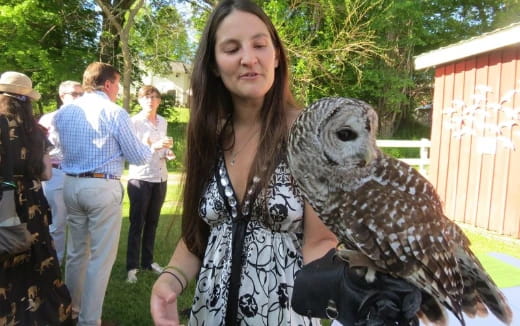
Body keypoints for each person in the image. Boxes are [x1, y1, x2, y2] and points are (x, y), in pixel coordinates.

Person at [150, 1, 338, 325]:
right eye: (232, 48)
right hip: (207, 316)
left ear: (276, 56)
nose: (248, 59)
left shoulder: (309, 136)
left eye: (260, 45)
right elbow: (198, 236)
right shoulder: (210, 137)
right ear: (213, 65)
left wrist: (351, 290)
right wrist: (170, 280)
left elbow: (320, 242)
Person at [53, 62, 153, 326]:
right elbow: (137, 156)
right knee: (100, 257)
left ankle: (72, 312)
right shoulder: (114, 112)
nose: (118, 90)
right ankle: (89, 320)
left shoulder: (64, 113)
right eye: (117, 85)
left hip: (71, 184)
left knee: (76, 254)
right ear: (108, 84)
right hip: (101, 186)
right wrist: (149, 145)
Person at [0, 71, 73, 325]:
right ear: (27, 100)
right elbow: (45, 173)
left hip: (3, 202)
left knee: (5, 257)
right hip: (31, 201)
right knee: (36, 260)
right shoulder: (36, 129)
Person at [126, 85, 175, 283]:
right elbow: (134, 151)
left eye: (154, 97)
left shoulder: (163, 121)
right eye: (146, 97)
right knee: (137, 223)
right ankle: (131, 267)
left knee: (153, 222)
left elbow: (161, 147)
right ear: (139, 100)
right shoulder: (133, 122)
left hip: (160, 177)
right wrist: (153, 146)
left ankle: (148, 261)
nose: (150, 100)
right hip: (141, 177)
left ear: (159, 101)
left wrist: (167, 152)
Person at [39, 80, 84, 265]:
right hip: (56, 173)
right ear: (62, 96)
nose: (78, 98)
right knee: (57, 222)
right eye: (74, 94)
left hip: (80, 175)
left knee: (79, 222)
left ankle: (76, 260)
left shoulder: (88, 119)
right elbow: (39, 149)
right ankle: (54, 262)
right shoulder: (48, 119)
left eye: (81, 94)